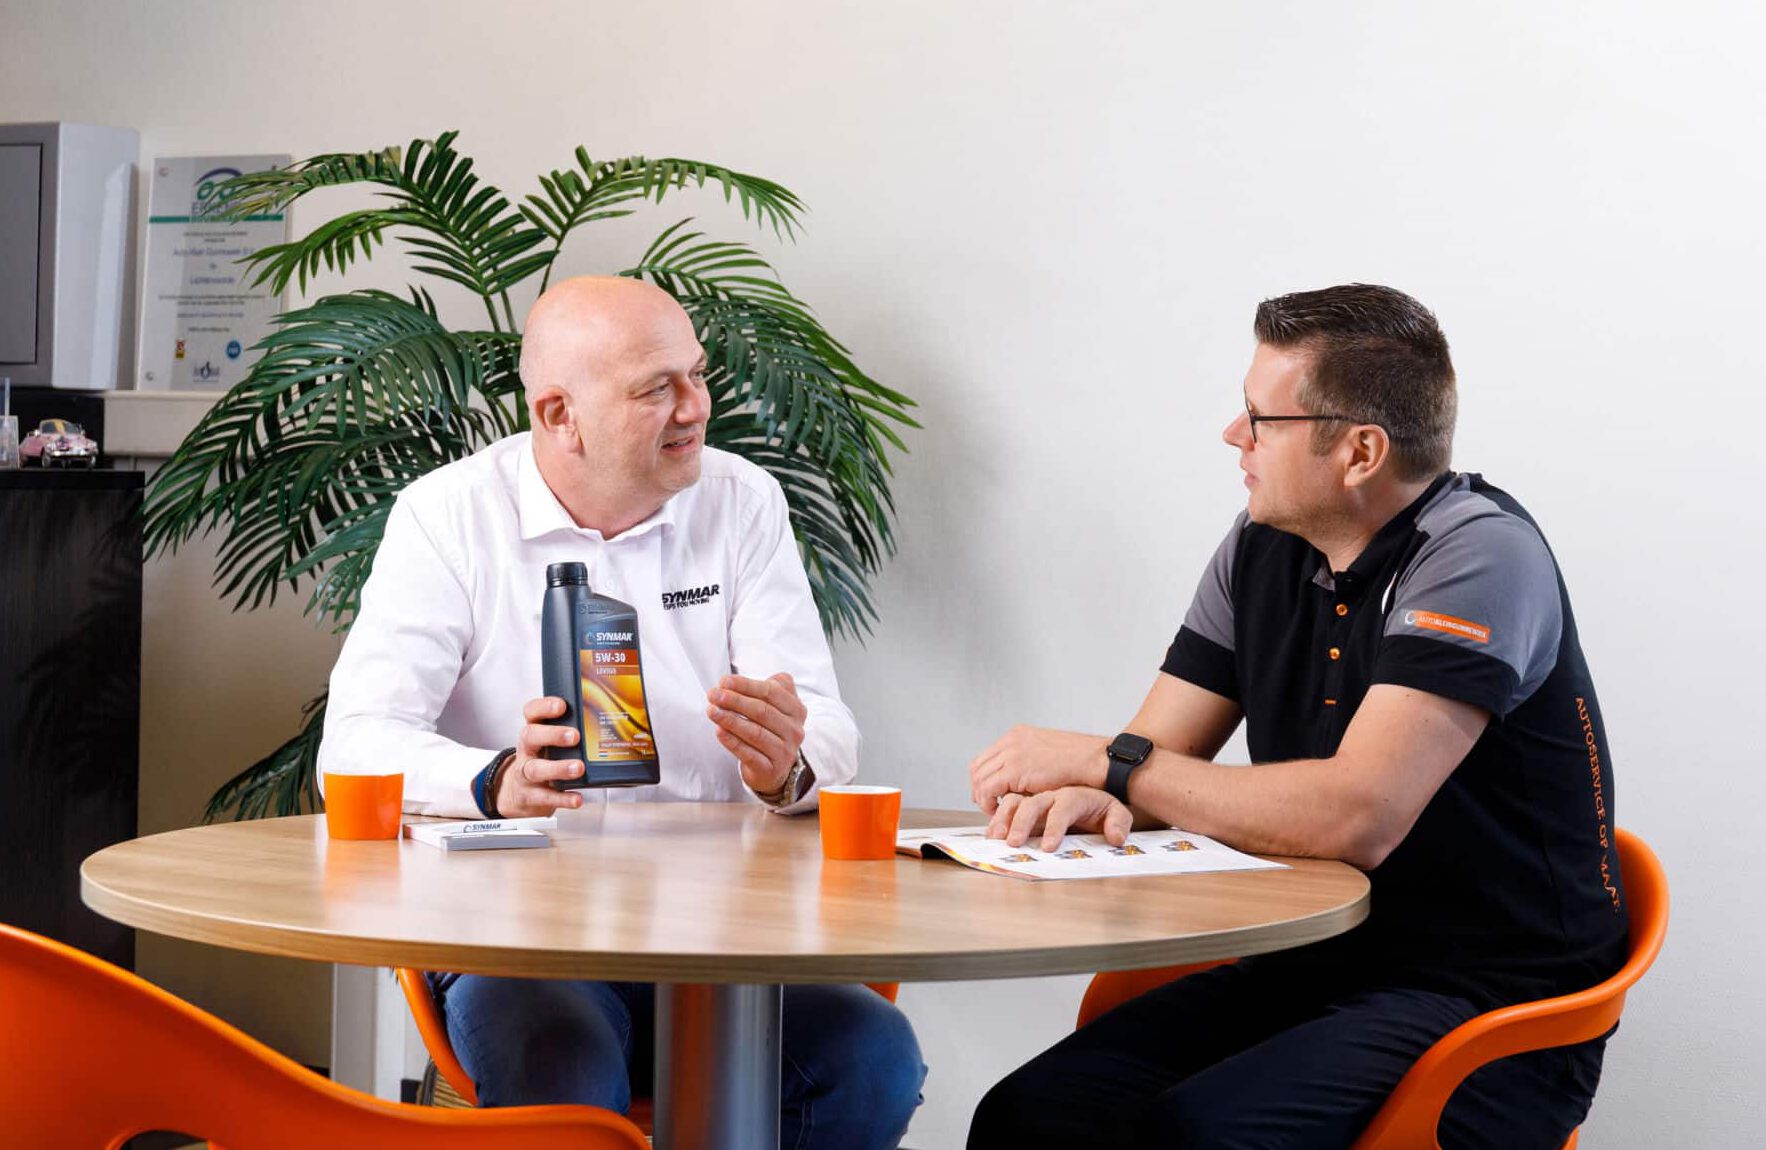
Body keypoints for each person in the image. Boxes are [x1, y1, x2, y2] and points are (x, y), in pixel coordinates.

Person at [965, 284, 1626, 1149]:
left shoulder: (1480, 554)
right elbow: (1156, 755)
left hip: (1493, 1001)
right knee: (1028, 1117)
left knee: (1193, 1137)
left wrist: (1114, 765)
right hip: (1315, 962)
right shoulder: (1259, 544)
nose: (1232, 435)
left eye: (1258, 418)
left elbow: (1357, 818)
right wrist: (1105, 789)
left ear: (1359, 451)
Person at [319, 276, 924, 1148]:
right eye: (655, 390)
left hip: (720, 932)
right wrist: (496, 779)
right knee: (562, 1060)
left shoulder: (742, 500)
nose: (695, 408)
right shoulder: (448, 516)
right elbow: (355, 747)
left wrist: (784, 763)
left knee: (871, 1056)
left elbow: (823, 725)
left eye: (697, 375)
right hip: (514, 930)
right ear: (559, 413)